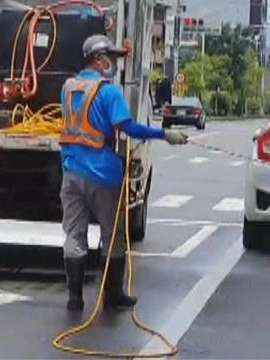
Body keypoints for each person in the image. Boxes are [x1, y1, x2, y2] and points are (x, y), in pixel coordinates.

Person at [59, 34, 188, 313]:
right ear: (98, 59)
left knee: (74, 234)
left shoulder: (68, 88)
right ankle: (112, 296)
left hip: (71, 173)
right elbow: (127, 127)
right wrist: (164, 134)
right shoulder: (108, 92)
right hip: (103, 173)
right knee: (112, 235)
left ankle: (75, 298)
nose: (114, 63)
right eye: (112, 57)